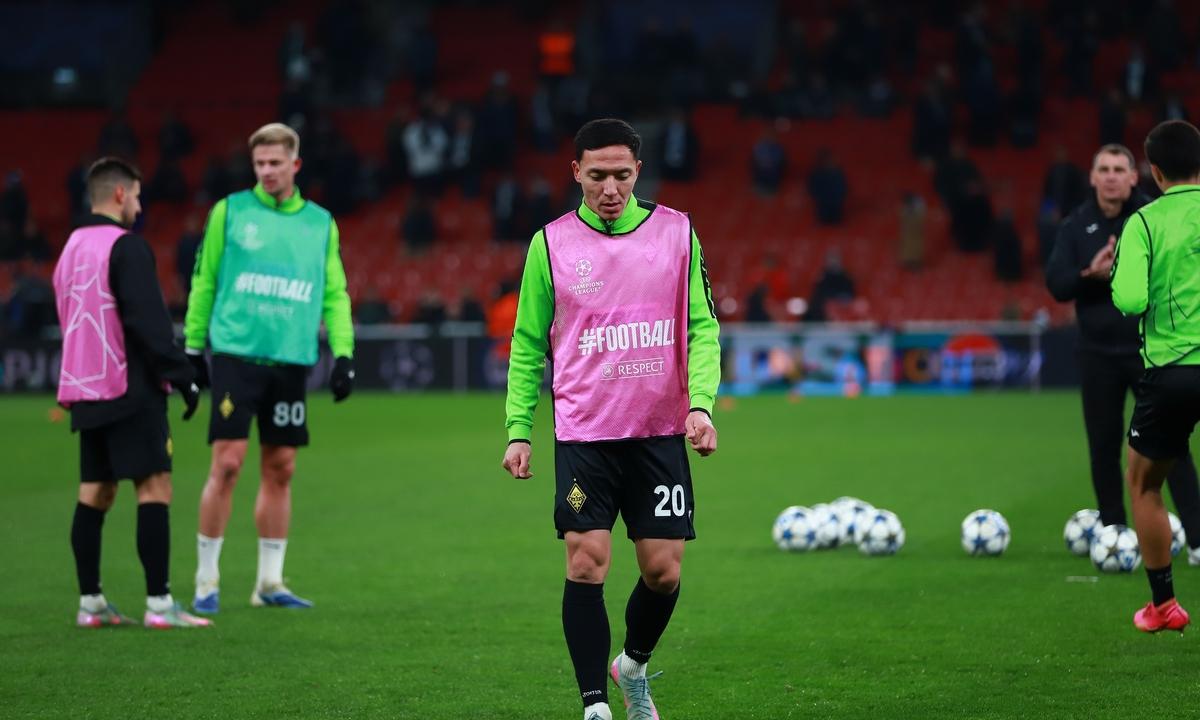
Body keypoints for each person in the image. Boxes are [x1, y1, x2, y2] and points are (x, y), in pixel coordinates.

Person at [501, 119, 720, 720]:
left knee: (663, 573)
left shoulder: (677, 233)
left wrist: (701, 404)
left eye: (622, 175)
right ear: (576, 172)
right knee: (585, 561)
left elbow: (702, 327)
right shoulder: (550, 244)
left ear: (638, 171)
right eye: (597, 175)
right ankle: (595, 705)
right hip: (585, 434)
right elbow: (528, 343)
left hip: (658, 431)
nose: (610, 188)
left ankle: (632, 667)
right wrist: (519, 429)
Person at [184, 123, 355, 614]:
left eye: (275, 163)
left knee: (281, 468)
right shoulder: (230, 212)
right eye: (259, 163)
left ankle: (269, 583)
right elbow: (204, 280)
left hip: (290, 361)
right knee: (227, 463)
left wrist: (343, 353)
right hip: (236, 357)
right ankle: (205, 579)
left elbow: (335, 292)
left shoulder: (320, 223)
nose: (266, 171)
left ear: (295, 164)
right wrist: (193, 348)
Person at [52, 157, 206, 629]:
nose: (140, 207)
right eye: (137, 196)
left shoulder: (70, 248)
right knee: (154, 487)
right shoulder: (127, 247)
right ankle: (160, 604)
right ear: (119, 193)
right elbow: (147, 322)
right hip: (128, 385)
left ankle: (91, 603)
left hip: (85, 387)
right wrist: (183, 376)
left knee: (95, 492)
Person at [1048, 142, 1200, 572]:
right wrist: (1089, 275)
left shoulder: (1154, 216)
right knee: (1103, 446)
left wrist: (1121, 272)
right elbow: (1057, 283)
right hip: (1097, 353)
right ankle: (1115, 535)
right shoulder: (1075, 225)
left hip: (1148, 351)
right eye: (1104, 169)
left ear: (1136, 177)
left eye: (1120, 169)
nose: (1112, 176)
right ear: (1093, 178)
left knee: (1173, 449)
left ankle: (1197, 538)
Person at [1111, 120, 1200, 633]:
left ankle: (1164, 606)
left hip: (1174, 372)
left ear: (1154, 171)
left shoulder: (1143, 223)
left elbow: (1129, 300)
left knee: (1143, 483)